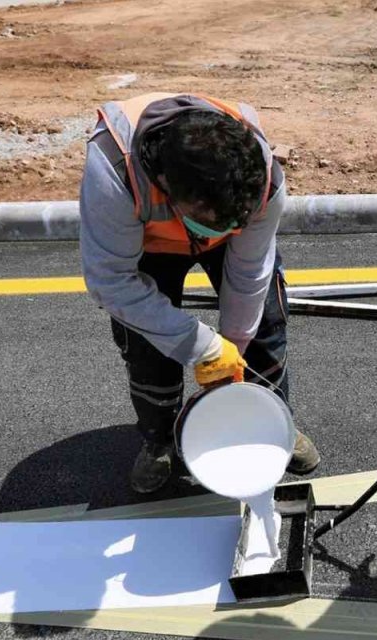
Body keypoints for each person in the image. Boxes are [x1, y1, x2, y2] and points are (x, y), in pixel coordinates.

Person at [80, 92, 320, 494]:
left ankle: (272, 425)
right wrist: (205, 348)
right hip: (147, 246)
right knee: (147, 347)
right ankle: (159, 439)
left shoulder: (261, 182)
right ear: (170, 189)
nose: (223, 227)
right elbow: (111, 281)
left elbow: (249, 273)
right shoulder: (115, 170)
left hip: (228, 230)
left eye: (233, 220)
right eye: (211, 220)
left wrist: (235, 347)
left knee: (267, 327)